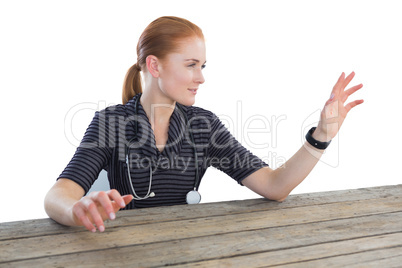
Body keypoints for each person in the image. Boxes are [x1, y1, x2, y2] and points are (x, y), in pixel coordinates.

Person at [44, 16, 364, 233]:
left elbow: (275, 186)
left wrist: (321, 136)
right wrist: (77, 209)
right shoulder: (111, 122)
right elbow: (59, 194)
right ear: (154, 65)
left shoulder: (203, 126)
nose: (201, 77)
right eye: (191, 65)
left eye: (203, 65)